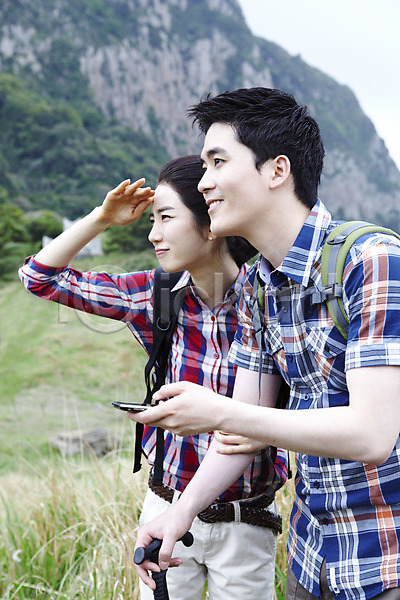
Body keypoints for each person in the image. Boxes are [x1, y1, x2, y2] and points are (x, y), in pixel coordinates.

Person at [129, 89, 400, 600]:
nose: (203, 182)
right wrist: (179, 513)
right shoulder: (257, 285)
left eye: (218, 162)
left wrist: (218, 412)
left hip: (385, 560)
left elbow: (372, 435)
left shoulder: (372, 259)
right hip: (311, 556)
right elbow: (242, 432)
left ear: (277, 171)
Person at [19, 154, 288, 600]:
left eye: (166, 217)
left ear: (211, 223)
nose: (153, 233)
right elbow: (39, 278)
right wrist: (102, 218)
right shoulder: (155, 294)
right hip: (164, 507)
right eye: (152, 219)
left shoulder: (266, 300)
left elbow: (245, 433)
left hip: (246, 519)